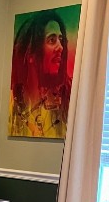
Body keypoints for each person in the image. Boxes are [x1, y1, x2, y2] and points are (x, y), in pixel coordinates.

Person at [8, 8, 73, 138]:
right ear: (31, 52)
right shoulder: (14, 102)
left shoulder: (67, 96)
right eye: (52, 40)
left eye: (61, 39)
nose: (60, 47)